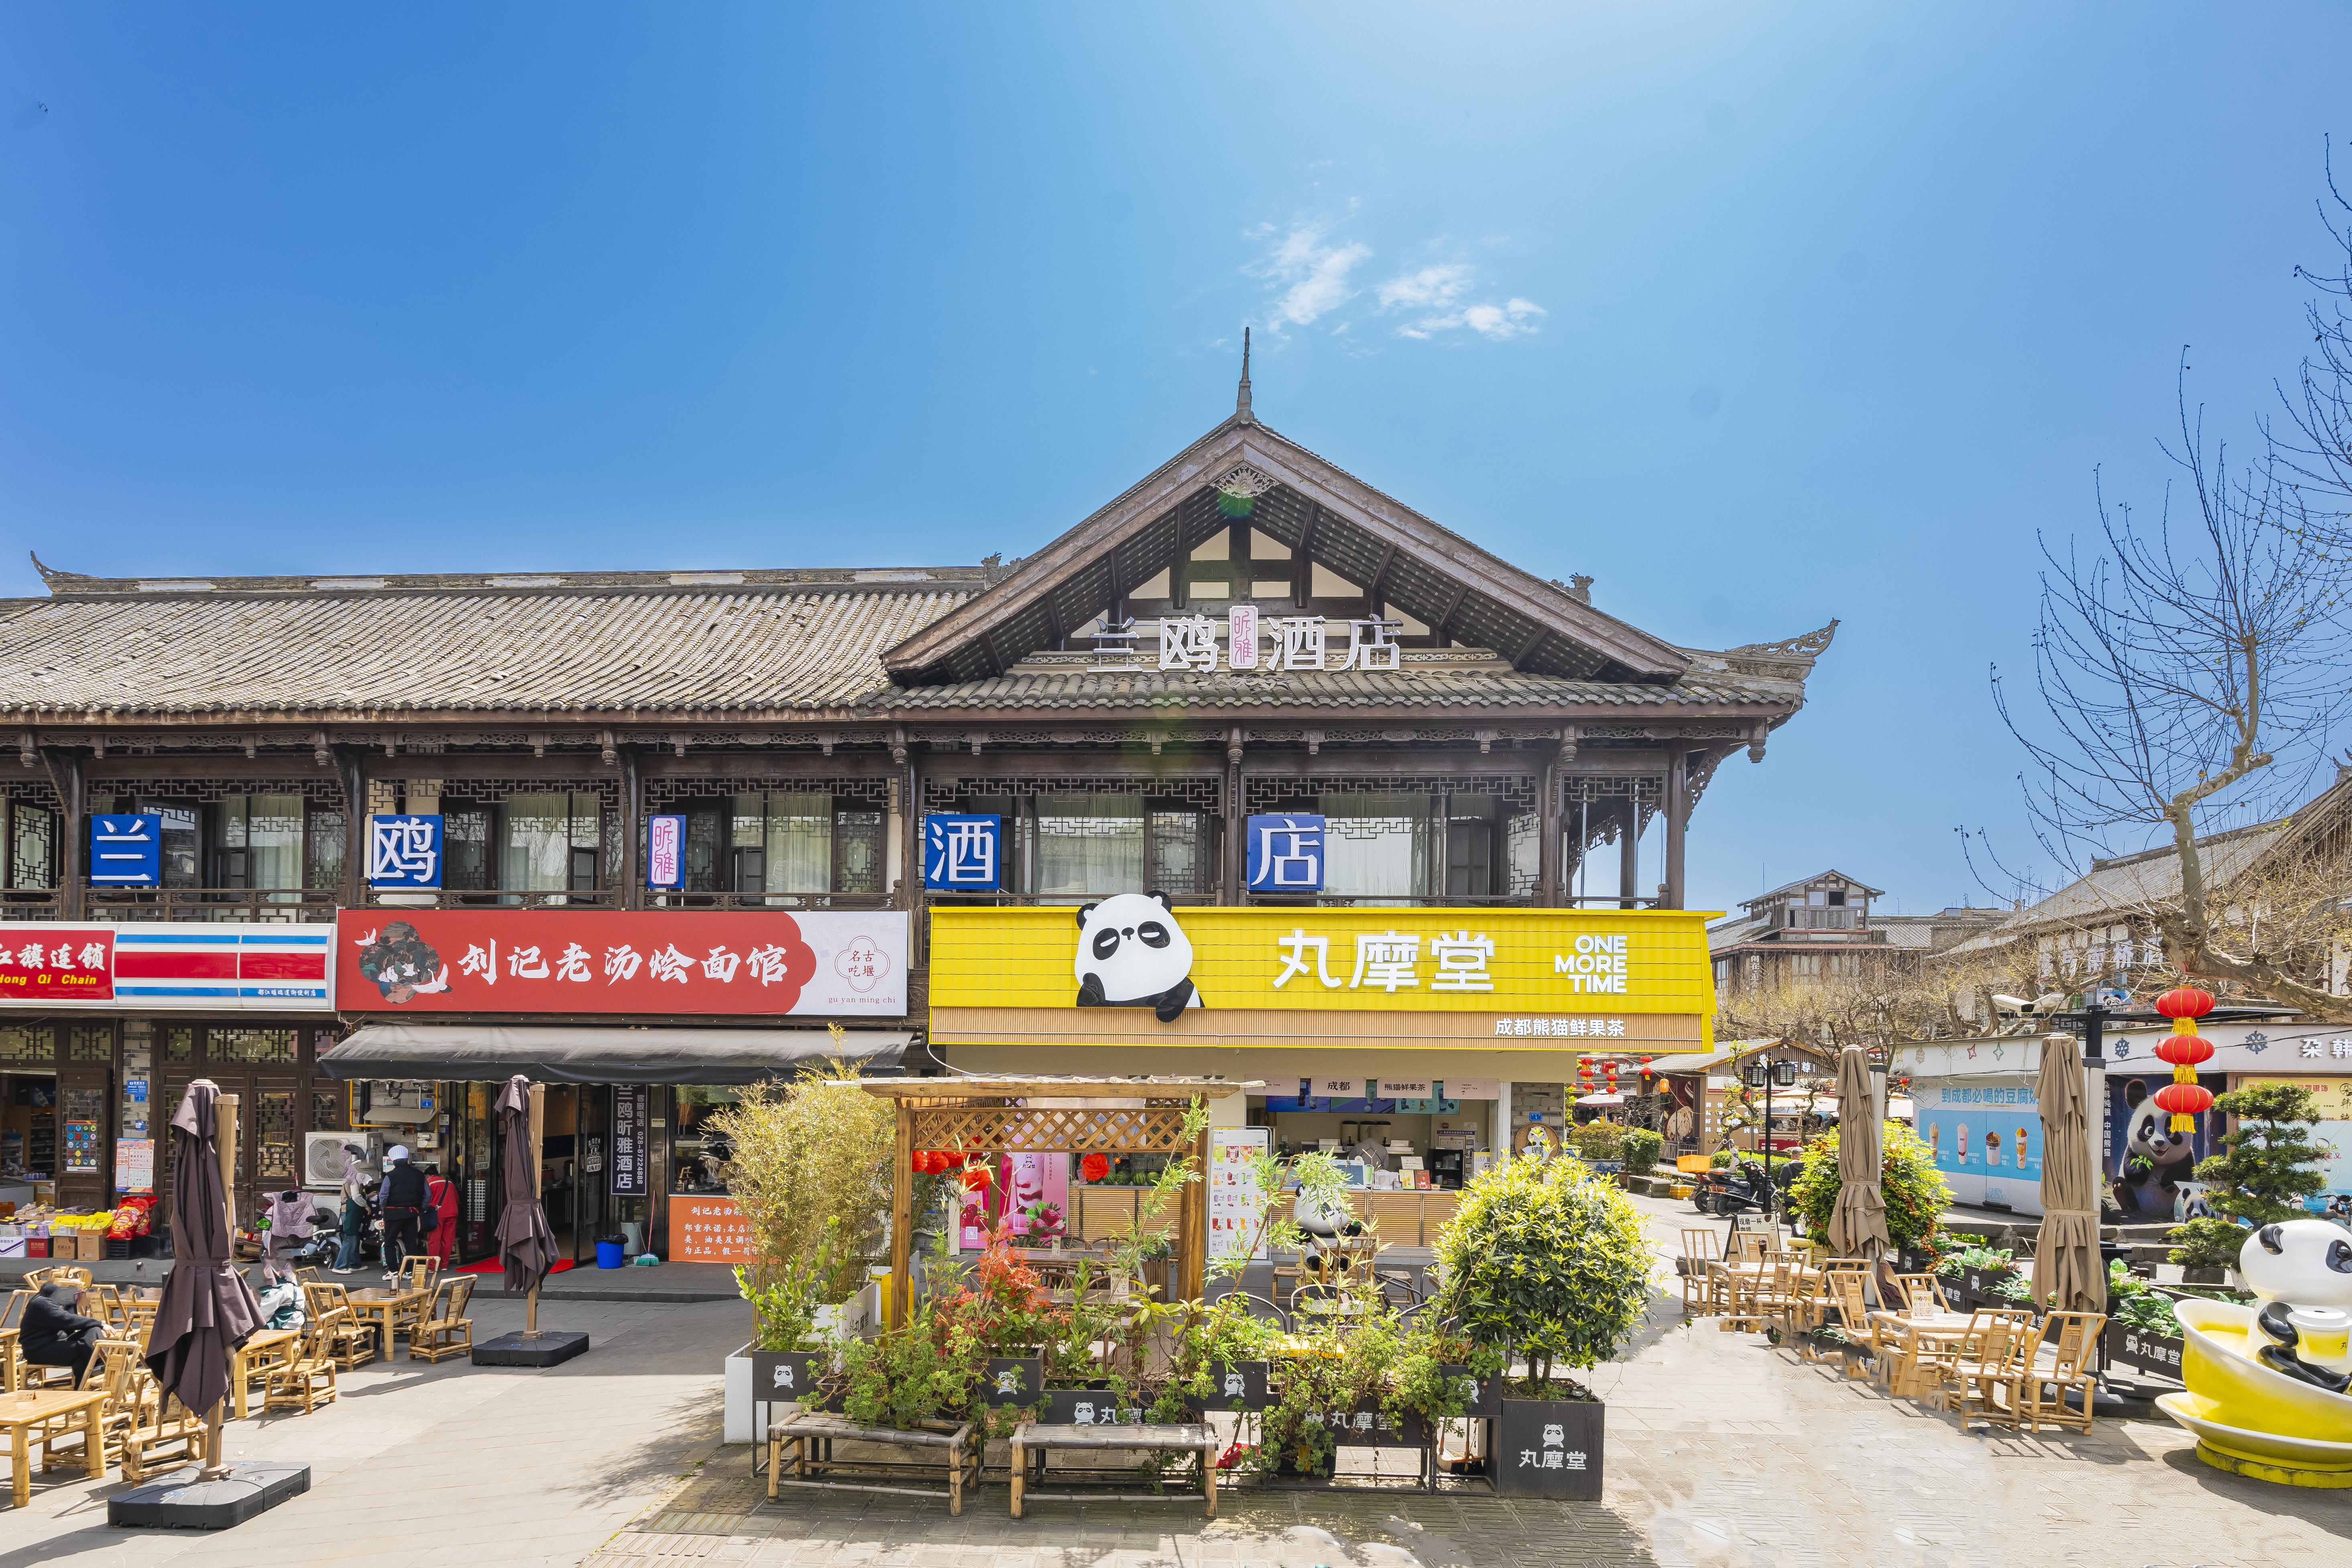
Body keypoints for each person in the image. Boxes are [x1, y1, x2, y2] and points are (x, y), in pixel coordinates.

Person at [22, 1281, 107, 1386]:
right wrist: (100, 1323)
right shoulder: (41, 1303)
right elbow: (66, 1320)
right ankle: (83, 1387)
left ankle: (100, 1362)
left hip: (57, 1344)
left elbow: (70, 1329)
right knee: (82, 1351)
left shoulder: (58, 1302)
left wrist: (70, 1304)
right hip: (39, 1350)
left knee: (93, 1329)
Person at [377, 1143, 431, 1279]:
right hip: (412, 1214)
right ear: (408, 1160)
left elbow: (383, 1195)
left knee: (389, 1242)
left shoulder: (390, 1176)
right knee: (411, 1243)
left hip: (393, 1215)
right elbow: (428, 1195)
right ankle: (409, 1272)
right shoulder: (420, 1175)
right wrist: (421, 1209)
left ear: (394, 1162)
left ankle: (393, 1272)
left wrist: (383, 1208)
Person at [336, 1143, 370, 1271]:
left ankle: (355, 1264)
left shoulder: (350, 1177)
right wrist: (366, 1206)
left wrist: (367, 1195)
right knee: (350, 1239)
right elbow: (355, 1197)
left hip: (348, 1211)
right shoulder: (354, 1177)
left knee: (354, 1238)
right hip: (349, 1212)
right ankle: (339, 1266)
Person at [423, 1162, 459, 1268]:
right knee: (448, 1240)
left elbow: (426, 1199)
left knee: (434, 1240)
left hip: (436, 1214)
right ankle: (444, 1265)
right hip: (452, 1213)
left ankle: (432, 1266)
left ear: (428, 1176)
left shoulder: (430, 1184)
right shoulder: (450, 1183)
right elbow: (457, 1199)